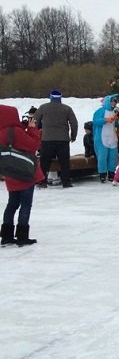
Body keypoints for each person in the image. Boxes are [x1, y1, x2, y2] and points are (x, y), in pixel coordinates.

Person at [1, 105, 45, 247]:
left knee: (12, 204)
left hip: (10, 173)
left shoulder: (2, 132)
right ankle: (22, 236)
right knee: (26, 205)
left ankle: (6, 235)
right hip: (25, 173)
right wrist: (32, 129)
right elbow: (34, 145)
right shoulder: (16, 131)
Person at [33, 89, 78, 188]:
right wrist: (73, 136)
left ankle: (42, 181)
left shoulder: (43, 107)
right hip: (63, 140)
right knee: (64, 162)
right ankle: (66, 182)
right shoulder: (67, 108)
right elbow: (74, 123)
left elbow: (34, 121)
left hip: (47, 139)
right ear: (60, 98)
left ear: (50, 97)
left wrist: (34, 133)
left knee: (44, 162)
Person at [92, 94, 119, 183]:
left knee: (113, 156)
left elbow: (115, 125)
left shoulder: (115, 111)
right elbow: (95, 122)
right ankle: (102, 174)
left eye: (115, 102)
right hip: (101, 137)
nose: (113, 103)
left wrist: (118, 119)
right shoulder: (100, 111)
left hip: (112, 136)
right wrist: (105, 120)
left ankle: (111, 173)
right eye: (112, 101)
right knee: (102, 156)